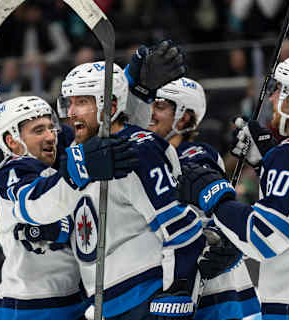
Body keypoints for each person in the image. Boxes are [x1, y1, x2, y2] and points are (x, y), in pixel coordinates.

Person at [13, 59, 206, 319]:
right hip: (107, 305)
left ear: (110, 105)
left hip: (145, 297)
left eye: (81, 102)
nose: (71, 112)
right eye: (69, 103)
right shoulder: (78, 154)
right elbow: (43, 208)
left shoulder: (138, 149)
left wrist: (176, 293)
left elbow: (180, 227)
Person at [177, 54, 289, 319]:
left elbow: (264, 236)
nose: (272, 98)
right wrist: (267, 162)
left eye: (280, 90)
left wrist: (214, 195)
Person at [0, 95, 137, 319]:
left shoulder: (59, 159)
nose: (50, 136)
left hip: (75, 302)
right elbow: (39, 203)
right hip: (29, 307)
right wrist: (82, 168)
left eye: (51, 128)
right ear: (12, 141)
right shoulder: (11, 172)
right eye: (38, 131)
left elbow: (99, 120)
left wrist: (134, 88)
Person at [147, 77, 262, 319]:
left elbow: (204, 181)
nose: (150, 112)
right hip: (189, 283)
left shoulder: (194, 153)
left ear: (185, 117)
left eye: (159, 106)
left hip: (216, 288)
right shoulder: (156, 156)